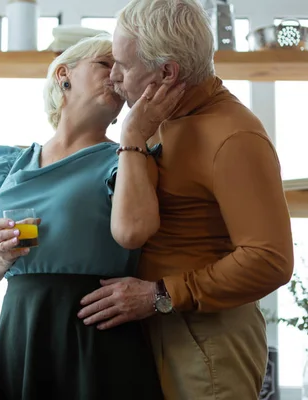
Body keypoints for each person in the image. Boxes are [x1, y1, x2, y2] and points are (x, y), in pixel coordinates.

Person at [77, 1, 295, 399]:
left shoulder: (234, 136)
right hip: (157, 329)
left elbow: (270, 260)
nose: (114, 77)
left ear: (167, 73)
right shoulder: (156, 120)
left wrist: (158, 295)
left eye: (123, 64)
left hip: (208, 342)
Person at [0, 34, 167, 400]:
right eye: (106, 65)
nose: (118, 77)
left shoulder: (128, 157)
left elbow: (137, 231)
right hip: (22, 331)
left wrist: (136, 135)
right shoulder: (10, 167)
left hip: (95, 333)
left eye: (123, 70)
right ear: (64, 75)